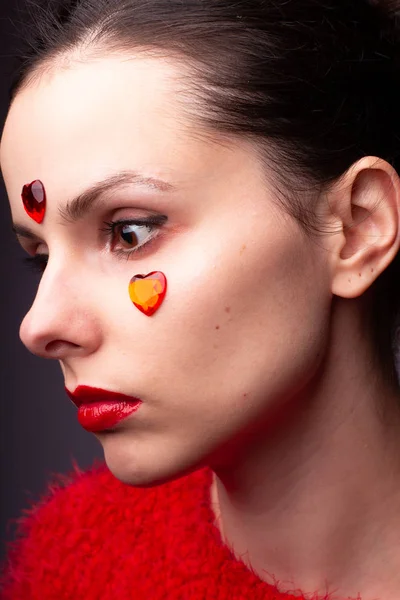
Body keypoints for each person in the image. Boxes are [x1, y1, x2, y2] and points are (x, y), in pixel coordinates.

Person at [1, 0, 400, 598]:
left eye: (129, 232)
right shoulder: (71, 571)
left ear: (357, 228)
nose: (40, 324)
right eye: (40, 257)